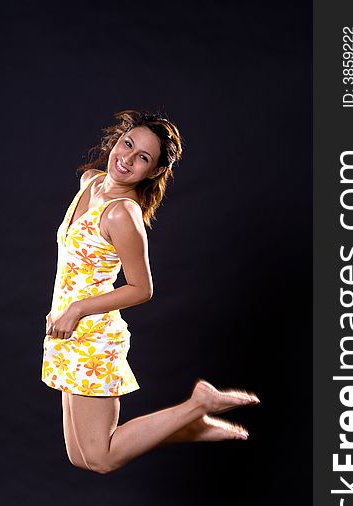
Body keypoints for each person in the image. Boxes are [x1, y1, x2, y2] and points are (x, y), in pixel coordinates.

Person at [41, 108, 260, 474]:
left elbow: (141, 289)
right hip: (65, 332)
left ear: (155, 170)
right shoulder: (90, 183)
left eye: (142, 157)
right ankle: (190, 427)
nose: (126, 159)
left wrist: (77, 309)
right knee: (79, 456)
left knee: (101, 457)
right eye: (127, 144)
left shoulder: (121, 213)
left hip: (92, 336)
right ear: (116, 140)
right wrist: (65, 311)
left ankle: (195, 406)